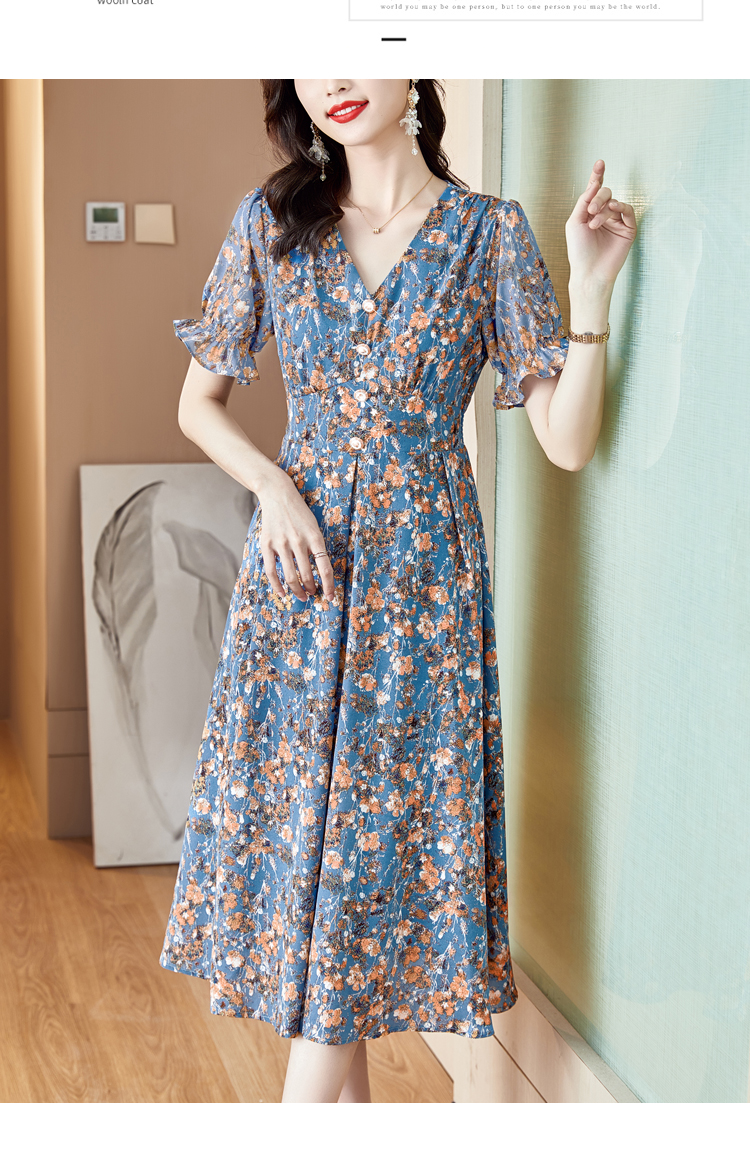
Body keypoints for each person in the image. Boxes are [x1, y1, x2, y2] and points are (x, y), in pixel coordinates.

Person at [159, 78, 637, 1104]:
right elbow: (199, 404)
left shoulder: (488, 235)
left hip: (423, 600)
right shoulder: (274, 220)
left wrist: (591, 291)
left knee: (365, 884)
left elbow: (565, 441)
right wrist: (273, 487)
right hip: (300, 585)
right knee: (321, 879)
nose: (332, 80)